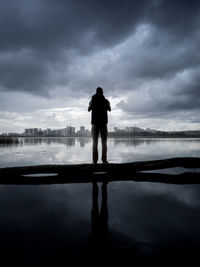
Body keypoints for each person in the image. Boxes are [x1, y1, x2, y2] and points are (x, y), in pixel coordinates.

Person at [88, 87, 111, 164]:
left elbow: (88, 109)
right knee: (104, 142)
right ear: (102, 93)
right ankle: (104, 160)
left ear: (96, 92)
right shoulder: (106, 101)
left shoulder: (92, 100)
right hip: (103, 124)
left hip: (95, 124)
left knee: (95, 142)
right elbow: (109, 109)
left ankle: (94, 161)